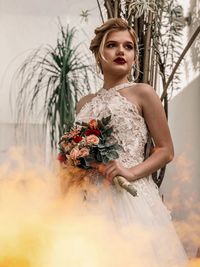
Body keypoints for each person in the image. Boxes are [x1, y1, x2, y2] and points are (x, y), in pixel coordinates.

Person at [63, 18, 188, 266]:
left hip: (131, 200)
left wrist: (130, 172)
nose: (121, 51)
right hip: (89, 201)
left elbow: (166, 150)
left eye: (128, 46)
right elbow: (78, 154)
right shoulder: (83, 103)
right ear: (99, 55)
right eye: (112, 45)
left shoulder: (143, 93)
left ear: (133, 56)